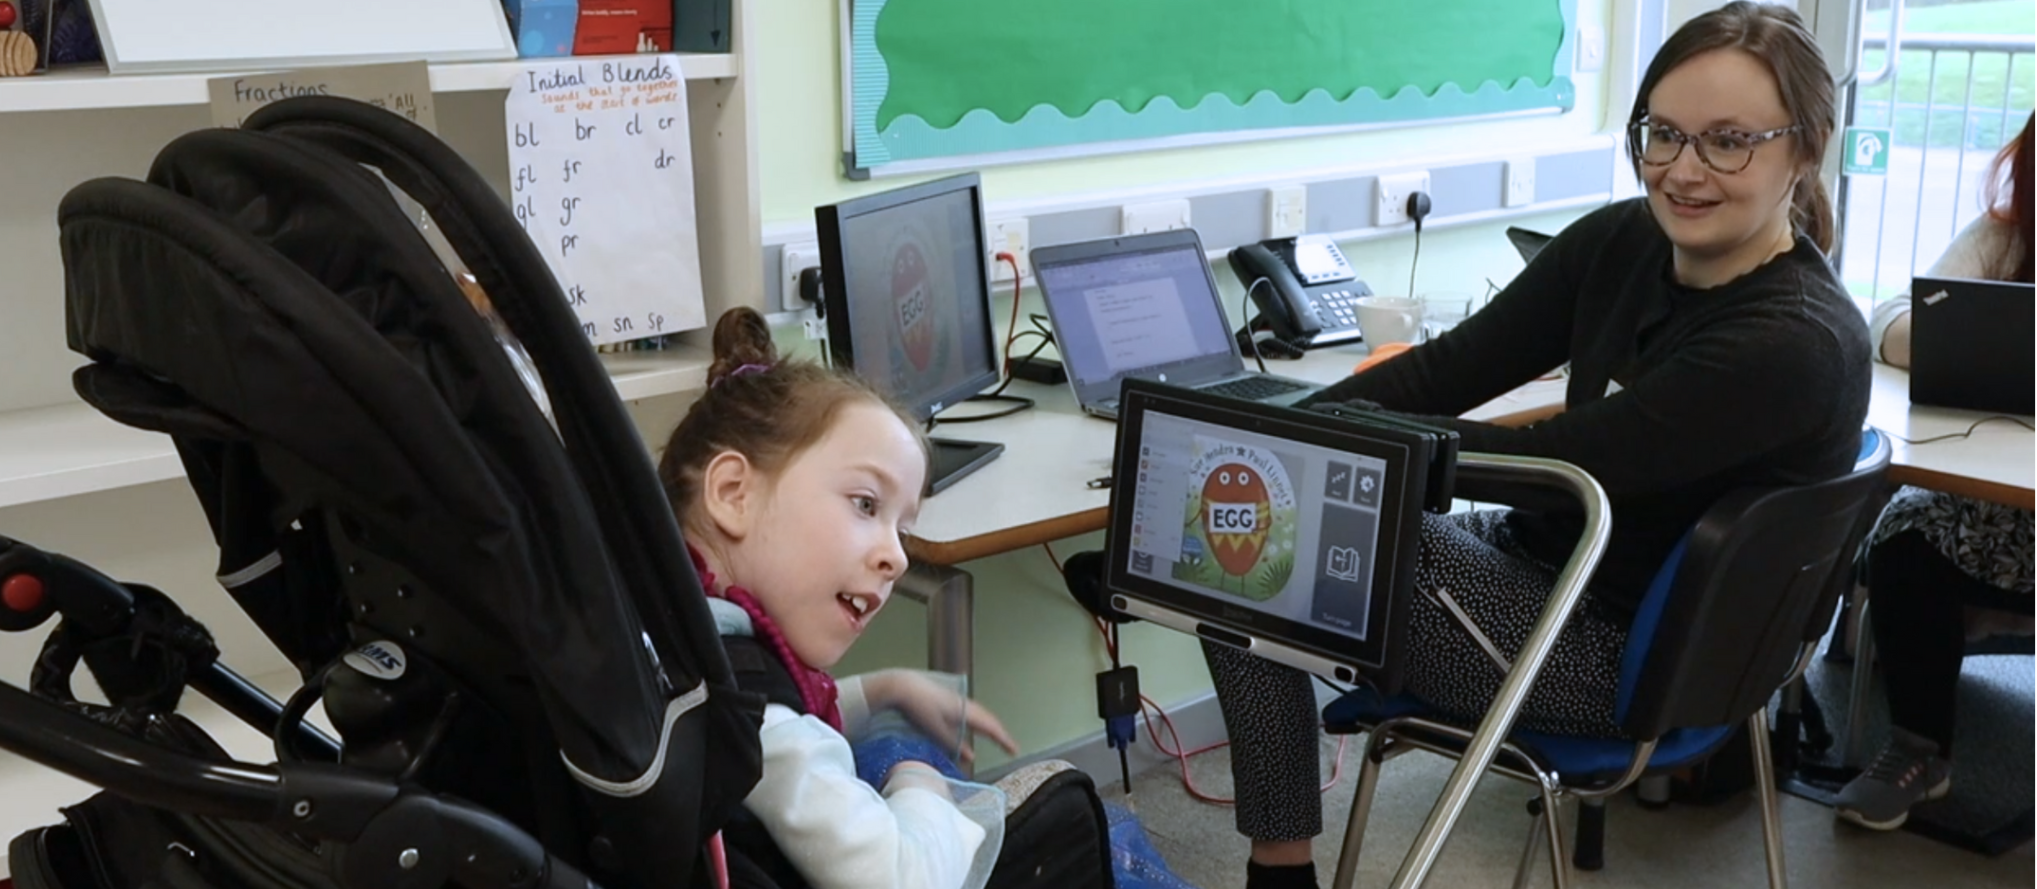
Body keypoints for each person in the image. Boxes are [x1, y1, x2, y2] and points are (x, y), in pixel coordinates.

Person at [1202, 6, 1870, 887]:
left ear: (1806, 148)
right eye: (1662, 135)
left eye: (1729, 142)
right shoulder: (1626, 241)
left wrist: (1290, 458)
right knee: (1250, 510)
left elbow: (1558, 467)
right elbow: (1446, 371)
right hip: (1544, 582)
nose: (1683, 170)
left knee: (1234, 550)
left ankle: (1277, 871)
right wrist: (1287, 431)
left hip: (1609, 661)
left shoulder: (1792, 342)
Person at [658, 307, 1101, 889]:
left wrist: (882, 689)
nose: (895, 557)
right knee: (1087, 819)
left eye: (903, 529)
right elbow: (902, 878)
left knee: (890, 734)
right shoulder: (756, 721)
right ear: (733, 493)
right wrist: (920, 784)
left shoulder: (681, 630)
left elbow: (782, 713)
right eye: (866, 504)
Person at [1835, 113, 2034, 832]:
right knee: (1905, 530)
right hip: (2009, 510)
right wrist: (1975, 343)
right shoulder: (2007, 233)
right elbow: (1893, 315)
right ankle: (1919, 750)